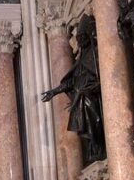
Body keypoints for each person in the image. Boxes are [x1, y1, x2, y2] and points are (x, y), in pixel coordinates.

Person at [42, 14, 106, 163]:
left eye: (82, 37)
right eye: (78, 38)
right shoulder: (81, 59)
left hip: (91, 97)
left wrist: (92, 88)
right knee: (87, 129)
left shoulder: (95, 53)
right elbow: (71, 82)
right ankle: (93, 150)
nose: (80, 40)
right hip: (82, 99)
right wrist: (54, 92)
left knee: (95, 124)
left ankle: (98, 148)